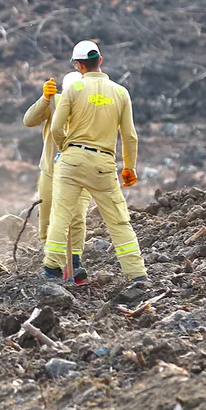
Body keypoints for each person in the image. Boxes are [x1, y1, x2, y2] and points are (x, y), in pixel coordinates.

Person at [44, 40, 148, 281]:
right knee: (119, 221)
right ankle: (137, 275)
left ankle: (51, 269)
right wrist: (129, 167)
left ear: (78, 65)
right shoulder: (121, 92)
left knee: (61, 215)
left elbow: (56, 129)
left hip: (72, 161)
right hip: (104, 164)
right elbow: (130, 136)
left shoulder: (74, 89)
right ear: (100, 60)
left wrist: (66, 148)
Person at [24, 71, 91, 280]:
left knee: (77, 217)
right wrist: (44, 99)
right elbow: (29, 120)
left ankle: (74, 263)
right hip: (51, 172)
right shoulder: (55, 104)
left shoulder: (91, 109)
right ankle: (53, 263)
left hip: (80, 173)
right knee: (48, 218)